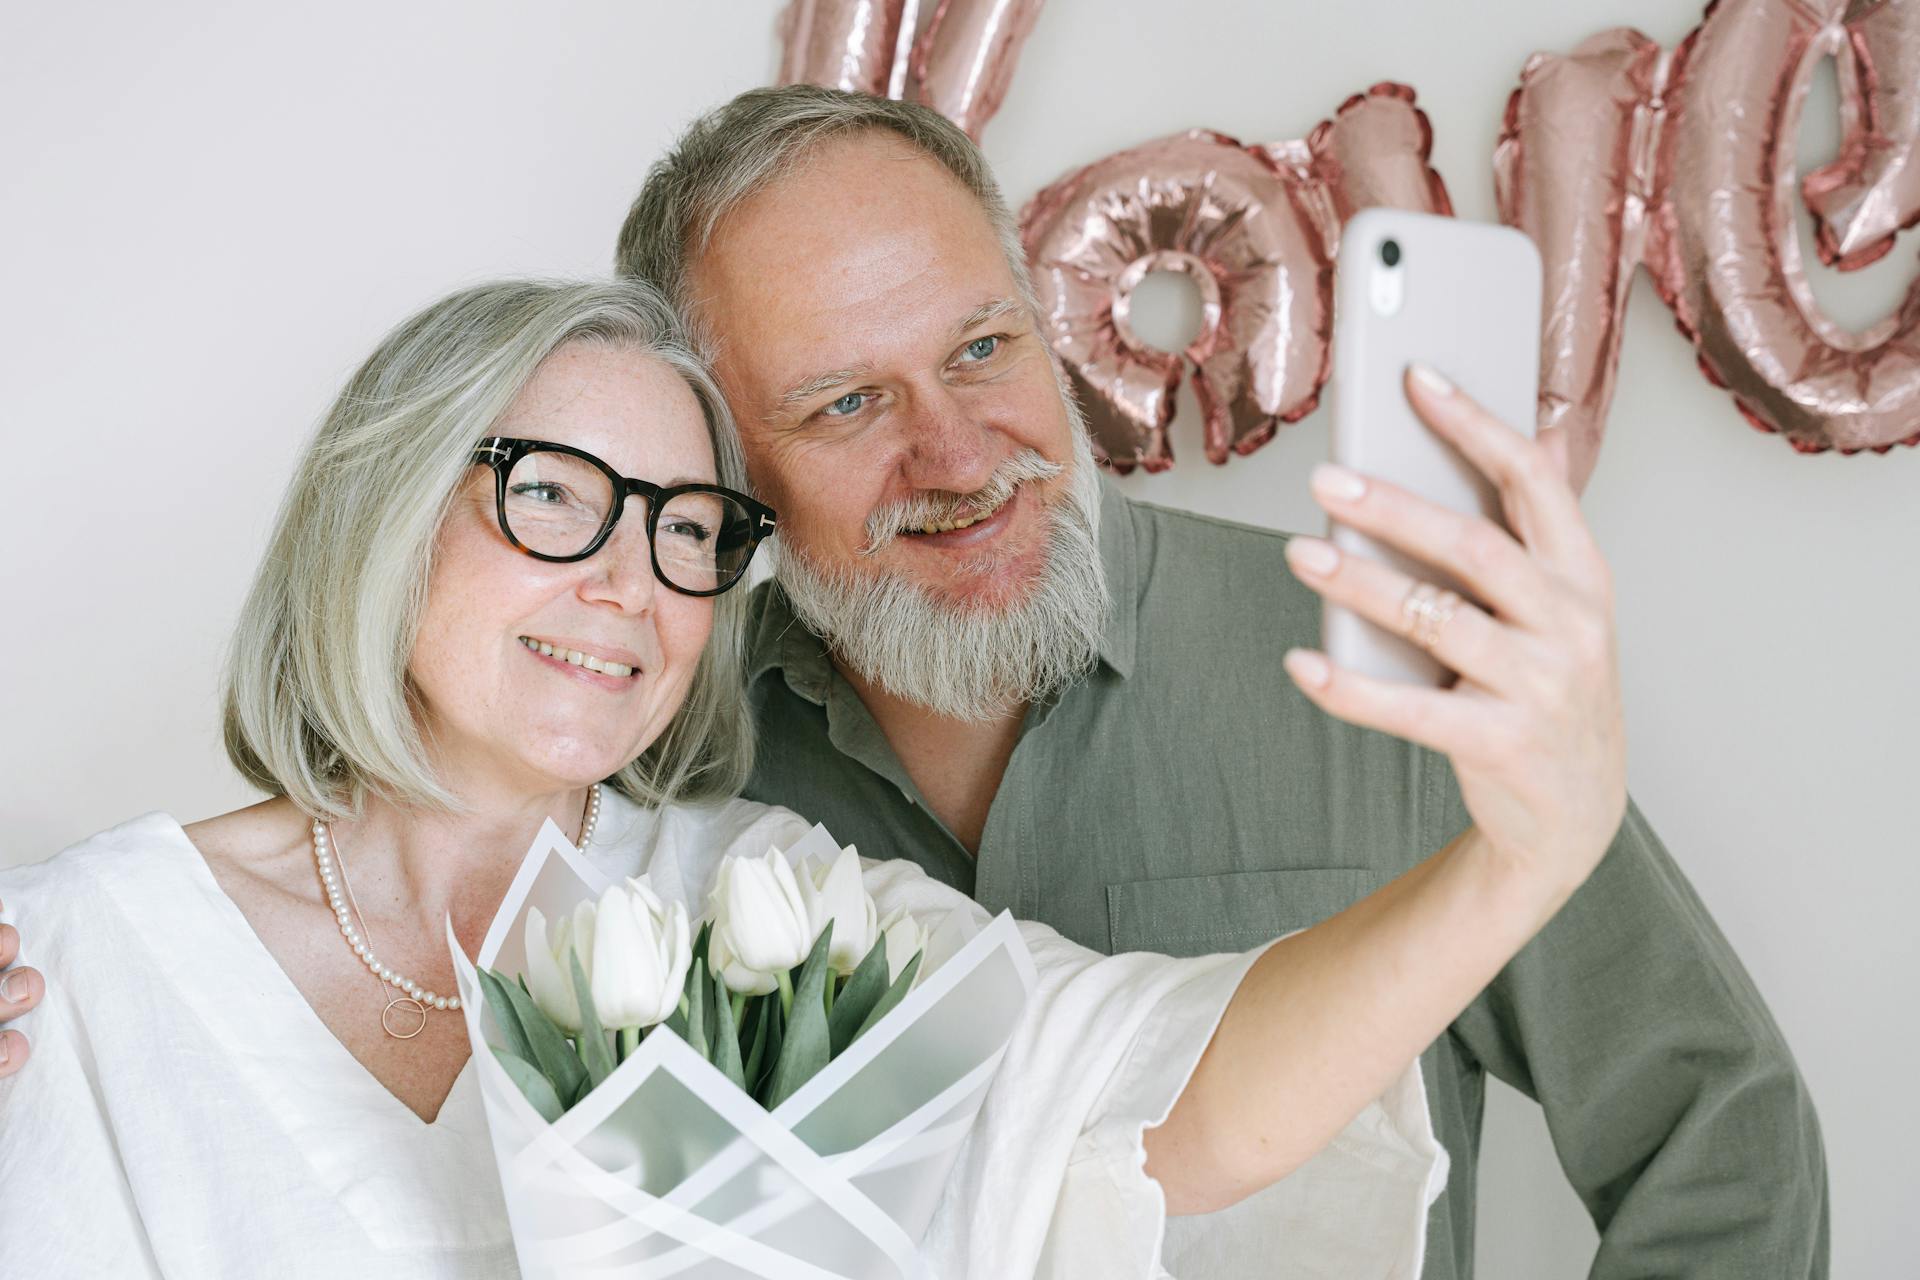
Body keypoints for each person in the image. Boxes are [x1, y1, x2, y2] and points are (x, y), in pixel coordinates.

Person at [0, 278, 1620, 1277]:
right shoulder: (70, 966)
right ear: (389, 507)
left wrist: (1522, 863)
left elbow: (1162, 1107)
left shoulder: (767, 914)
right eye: (558, 497)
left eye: (688, 530)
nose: (630, 587)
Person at [608, 86, 1830, 1275]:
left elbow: (1722, 1136)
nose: (959, 452)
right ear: (722, 464)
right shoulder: (657, 758)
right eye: (848, 403)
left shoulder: (1399, 665)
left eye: (983, 347)